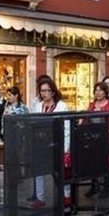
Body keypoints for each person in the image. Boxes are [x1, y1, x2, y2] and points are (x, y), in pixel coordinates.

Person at [30, 79, 69, 208]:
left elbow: (66, 127)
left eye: (47, 90)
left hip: (56, 143)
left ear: (53, 92)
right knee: (39, 171)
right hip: (41, 143)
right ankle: (40, 198)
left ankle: (66, 196)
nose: (44, 93)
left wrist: (66, 147)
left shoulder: (61, 106)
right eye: (42, 91)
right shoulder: (37, 106)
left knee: (60, 171)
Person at [85, 82, 109, 199]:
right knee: (93, 162)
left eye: (100, 90)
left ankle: (106, 188)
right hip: (93, 138)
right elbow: (86, 119)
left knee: (106, 162)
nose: (97, 93)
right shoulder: (91, 105)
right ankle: (94, 186)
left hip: (106, 138)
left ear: (105, 92)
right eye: (96, 90)